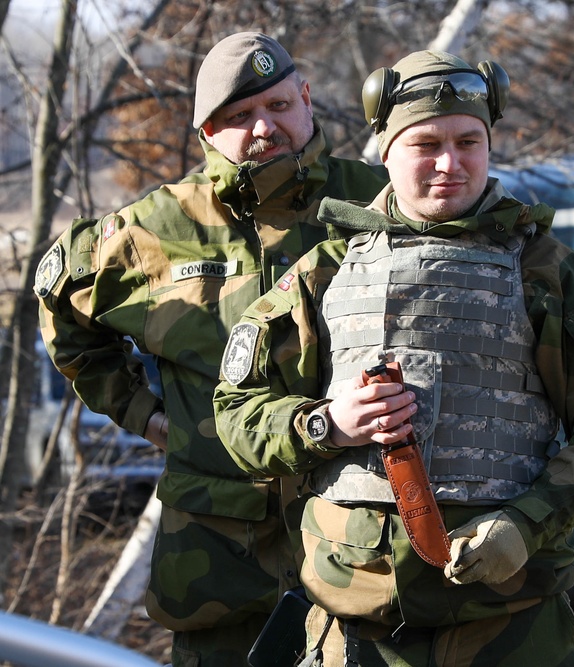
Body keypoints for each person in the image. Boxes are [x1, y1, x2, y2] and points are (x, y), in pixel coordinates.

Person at [213, 50, 574, 666]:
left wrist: (529, 523)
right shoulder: (326, 273)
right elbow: (239, 411)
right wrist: (326, 423)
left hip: (509, 630)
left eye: (468, 142)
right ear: (386, 151)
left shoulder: (551, 276)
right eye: (426, 144)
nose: (450, 164)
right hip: (353, 634)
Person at [34, 32, 387, 667]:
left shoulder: (380, 204)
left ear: (306, 99)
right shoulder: (151, 231)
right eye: (239, 116)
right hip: (222, 563)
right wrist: (143, 414)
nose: (264, 128)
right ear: (205, 131)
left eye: (278, 106)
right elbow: (61, 302)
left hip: (363, 546)